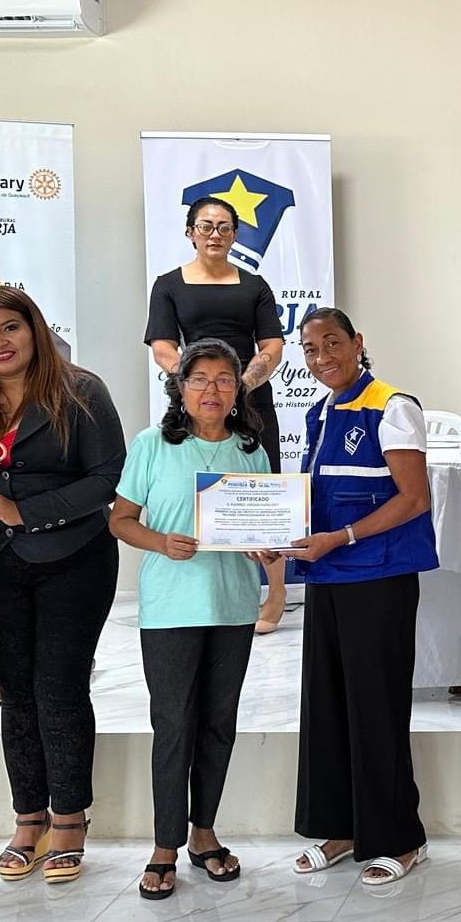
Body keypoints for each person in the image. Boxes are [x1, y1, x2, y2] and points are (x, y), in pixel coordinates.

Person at [0, 286, 125, 886]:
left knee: (60, 688)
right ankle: (29, 819)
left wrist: (25, 511)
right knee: (16, 693)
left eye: (10, 328)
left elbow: (108, 478)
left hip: (75, 558)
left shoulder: (82, 390)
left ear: (34, 329)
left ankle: (70, 819)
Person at [110, 339, 270, 900]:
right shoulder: (152, 444)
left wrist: (264, 546)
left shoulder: (251, 449)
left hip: (232, 606)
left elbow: (261, 528)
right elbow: (120, 520)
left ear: (238, 389)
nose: (212, 390)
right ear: (179, 387)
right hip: (171, 608)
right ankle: (164, 845)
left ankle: (204, 833)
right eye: (199, 379)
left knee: (219, 723)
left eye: (224, 379)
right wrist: (161, 542)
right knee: (174, 724)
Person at [283, 307, 437, 886]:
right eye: (310, 348)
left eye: (332, 343)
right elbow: (315, 497)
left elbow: (414, 498)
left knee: (376, 707)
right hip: (328, 576)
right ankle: (341, 827)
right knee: (327, 706)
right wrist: (276, 538)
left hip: (377, 576)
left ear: (357, 343)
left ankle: (400, 838)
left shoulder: (392, 406)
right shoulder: (320, 412)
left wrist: (342, 537)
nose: (322, 357)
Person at [146, 195, 290, 632]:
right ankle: (205, 585)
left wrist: (240, 384)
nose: (215, 234)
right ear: (190, 232)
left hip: (249, 396)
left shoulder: (255, 285)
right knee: (197, 486)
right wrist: (199, 381)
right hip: (195, 399)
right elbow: (163, 347)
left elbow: (272, 345)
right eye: (206, 226)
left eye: (224, 227)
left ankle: (276, 592)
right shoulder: (168, 284)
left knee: (264, 493)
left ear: (235, 235)